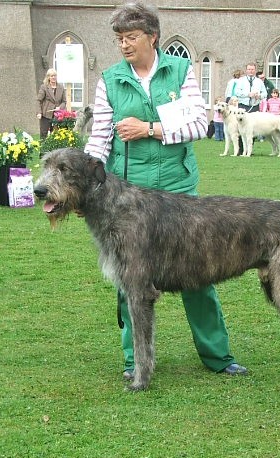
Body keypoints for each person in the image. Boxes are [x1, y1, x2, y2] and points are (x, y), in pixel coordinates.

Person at [84, 1, 247, 380]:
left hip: (178, 188)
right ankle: (133, 361)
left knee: (199, 275)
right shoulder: (109, 80)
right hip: (129, 194)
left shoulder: (180, 70)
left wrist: (150, 129)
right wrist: (89, 187)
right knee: (130, 281)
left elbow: (198, 125)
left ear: (152, 38)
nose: (124, 45)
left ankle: (217, 356)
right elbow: (98, 142)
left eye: (131, 37)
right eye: (119, 39)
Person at [36, 68, 67, 139]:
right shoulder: (44, 87)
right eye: (51, 76)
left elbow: (64, 101)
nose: (53, 77)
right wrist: (39, 112)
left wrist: (60, 107)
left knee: (55, 135)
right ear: (48, 77)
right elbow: (38, 100)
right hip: (46, 115)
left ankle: (54, 150)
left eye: (55, 76)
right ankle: (43, 149)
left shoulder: (61, 87)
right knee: (43, 135)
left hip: (57, 115)